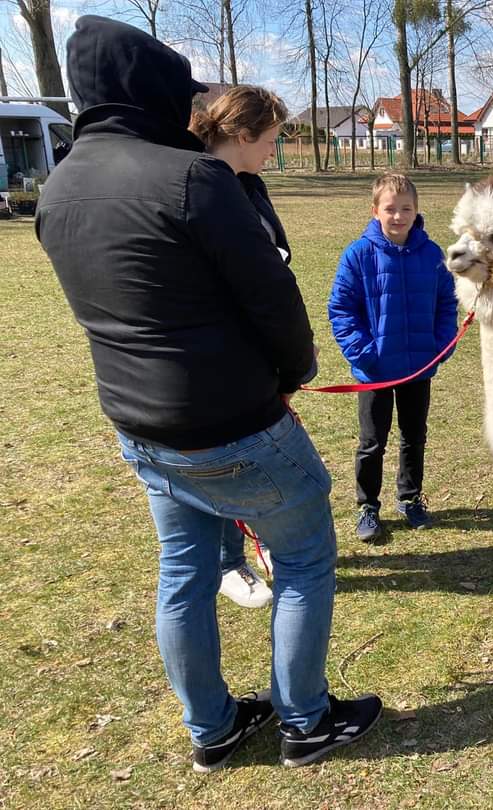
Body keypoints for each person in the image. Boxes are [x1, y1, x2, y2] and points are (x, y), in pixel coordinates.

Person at [36, 16, 381, 772]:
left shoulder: (57, 188)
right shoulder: (192, 178)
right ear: (148, 90)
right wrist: (291, 374)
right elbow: (274, 301)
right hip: (232, 424)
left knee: (184, 573)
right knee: (303, 562)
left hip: (142, 428)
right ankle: (306, 720)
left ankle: (214, 729)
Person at [188, 85, 293, 610]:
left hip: (260, 359)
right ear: (242, 134)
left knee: (254, 466)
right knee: (224, 472)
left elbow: (273, 250)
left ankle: (264, 543)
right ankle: (231, 561)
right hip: (218, 370)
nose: (274, 149)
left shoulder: (248, 184)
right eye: (271, 138)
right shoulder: (201, 187)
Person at [328, 173, 458, 542]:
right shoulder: (358, 255)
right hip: (375, 372)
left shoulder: (432, 255)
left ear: (417, 212)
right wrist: (364, 354)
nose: (398, 216)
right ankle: (367, 506)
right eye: (390, 209)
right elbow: (341, 309)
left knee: (414, 436)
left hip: (419, 368)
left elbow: (447, 303)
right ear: (375, 211)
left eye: (406, 209)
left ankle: (410, 497)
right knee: (372, 441)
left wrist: (440, 345)